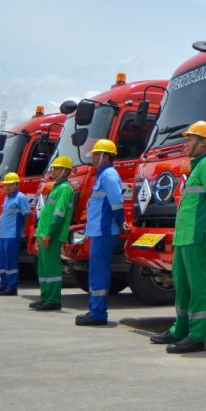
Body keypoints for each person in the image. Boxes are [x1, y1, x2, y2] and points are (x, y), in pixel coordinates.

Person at [150, 121, 206, 353]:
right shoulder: (197, 167)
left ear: (203, 142)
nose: (187, 143)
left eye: (191, 139)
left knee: (198, 287)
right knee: (182, 286)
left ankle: (198, 335)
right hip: (185, 236)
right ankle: (180, 329)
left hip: (198, 235)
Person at [76, 139, 123, 326]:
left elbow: (117, 203)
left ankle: (98, 312)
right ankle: (95, 309)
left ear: (105, 156)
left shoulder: (109, 175)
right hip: (99, 231)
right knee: (96, 270)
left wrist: (120, 223)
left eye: (96, 154)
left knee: (99, 270)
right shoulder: (102, 175)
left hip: (105, 231)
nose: (93, 157)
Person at [30, 156, 75, 312]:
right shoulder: (56, 188)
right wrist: (40, 234)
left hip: (52, 235)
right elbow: (47, 214)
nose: (53, 171)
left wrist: (49, 233)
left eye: (57, 168)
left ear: (65, 171)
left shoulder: (65, 189)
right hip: (45, 234)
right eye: (54, 168)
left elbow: (59, 214)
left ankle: (54, 300)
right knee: (44, 269)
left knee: (52, 268)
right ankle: (45, 298)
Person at [0, 173, 31, 296]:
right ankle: (4, 285)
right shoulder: (7, 197)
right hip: (3, 235)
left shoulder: (21, 198)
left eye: (9, 185)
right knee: (1, 261)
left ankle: (12, 287)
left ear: (15, 184)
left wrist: (23, 231)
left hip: (13, 235)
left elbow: (27, 216)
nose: (6, 187)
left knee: (11, 261)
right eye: (5, 185)